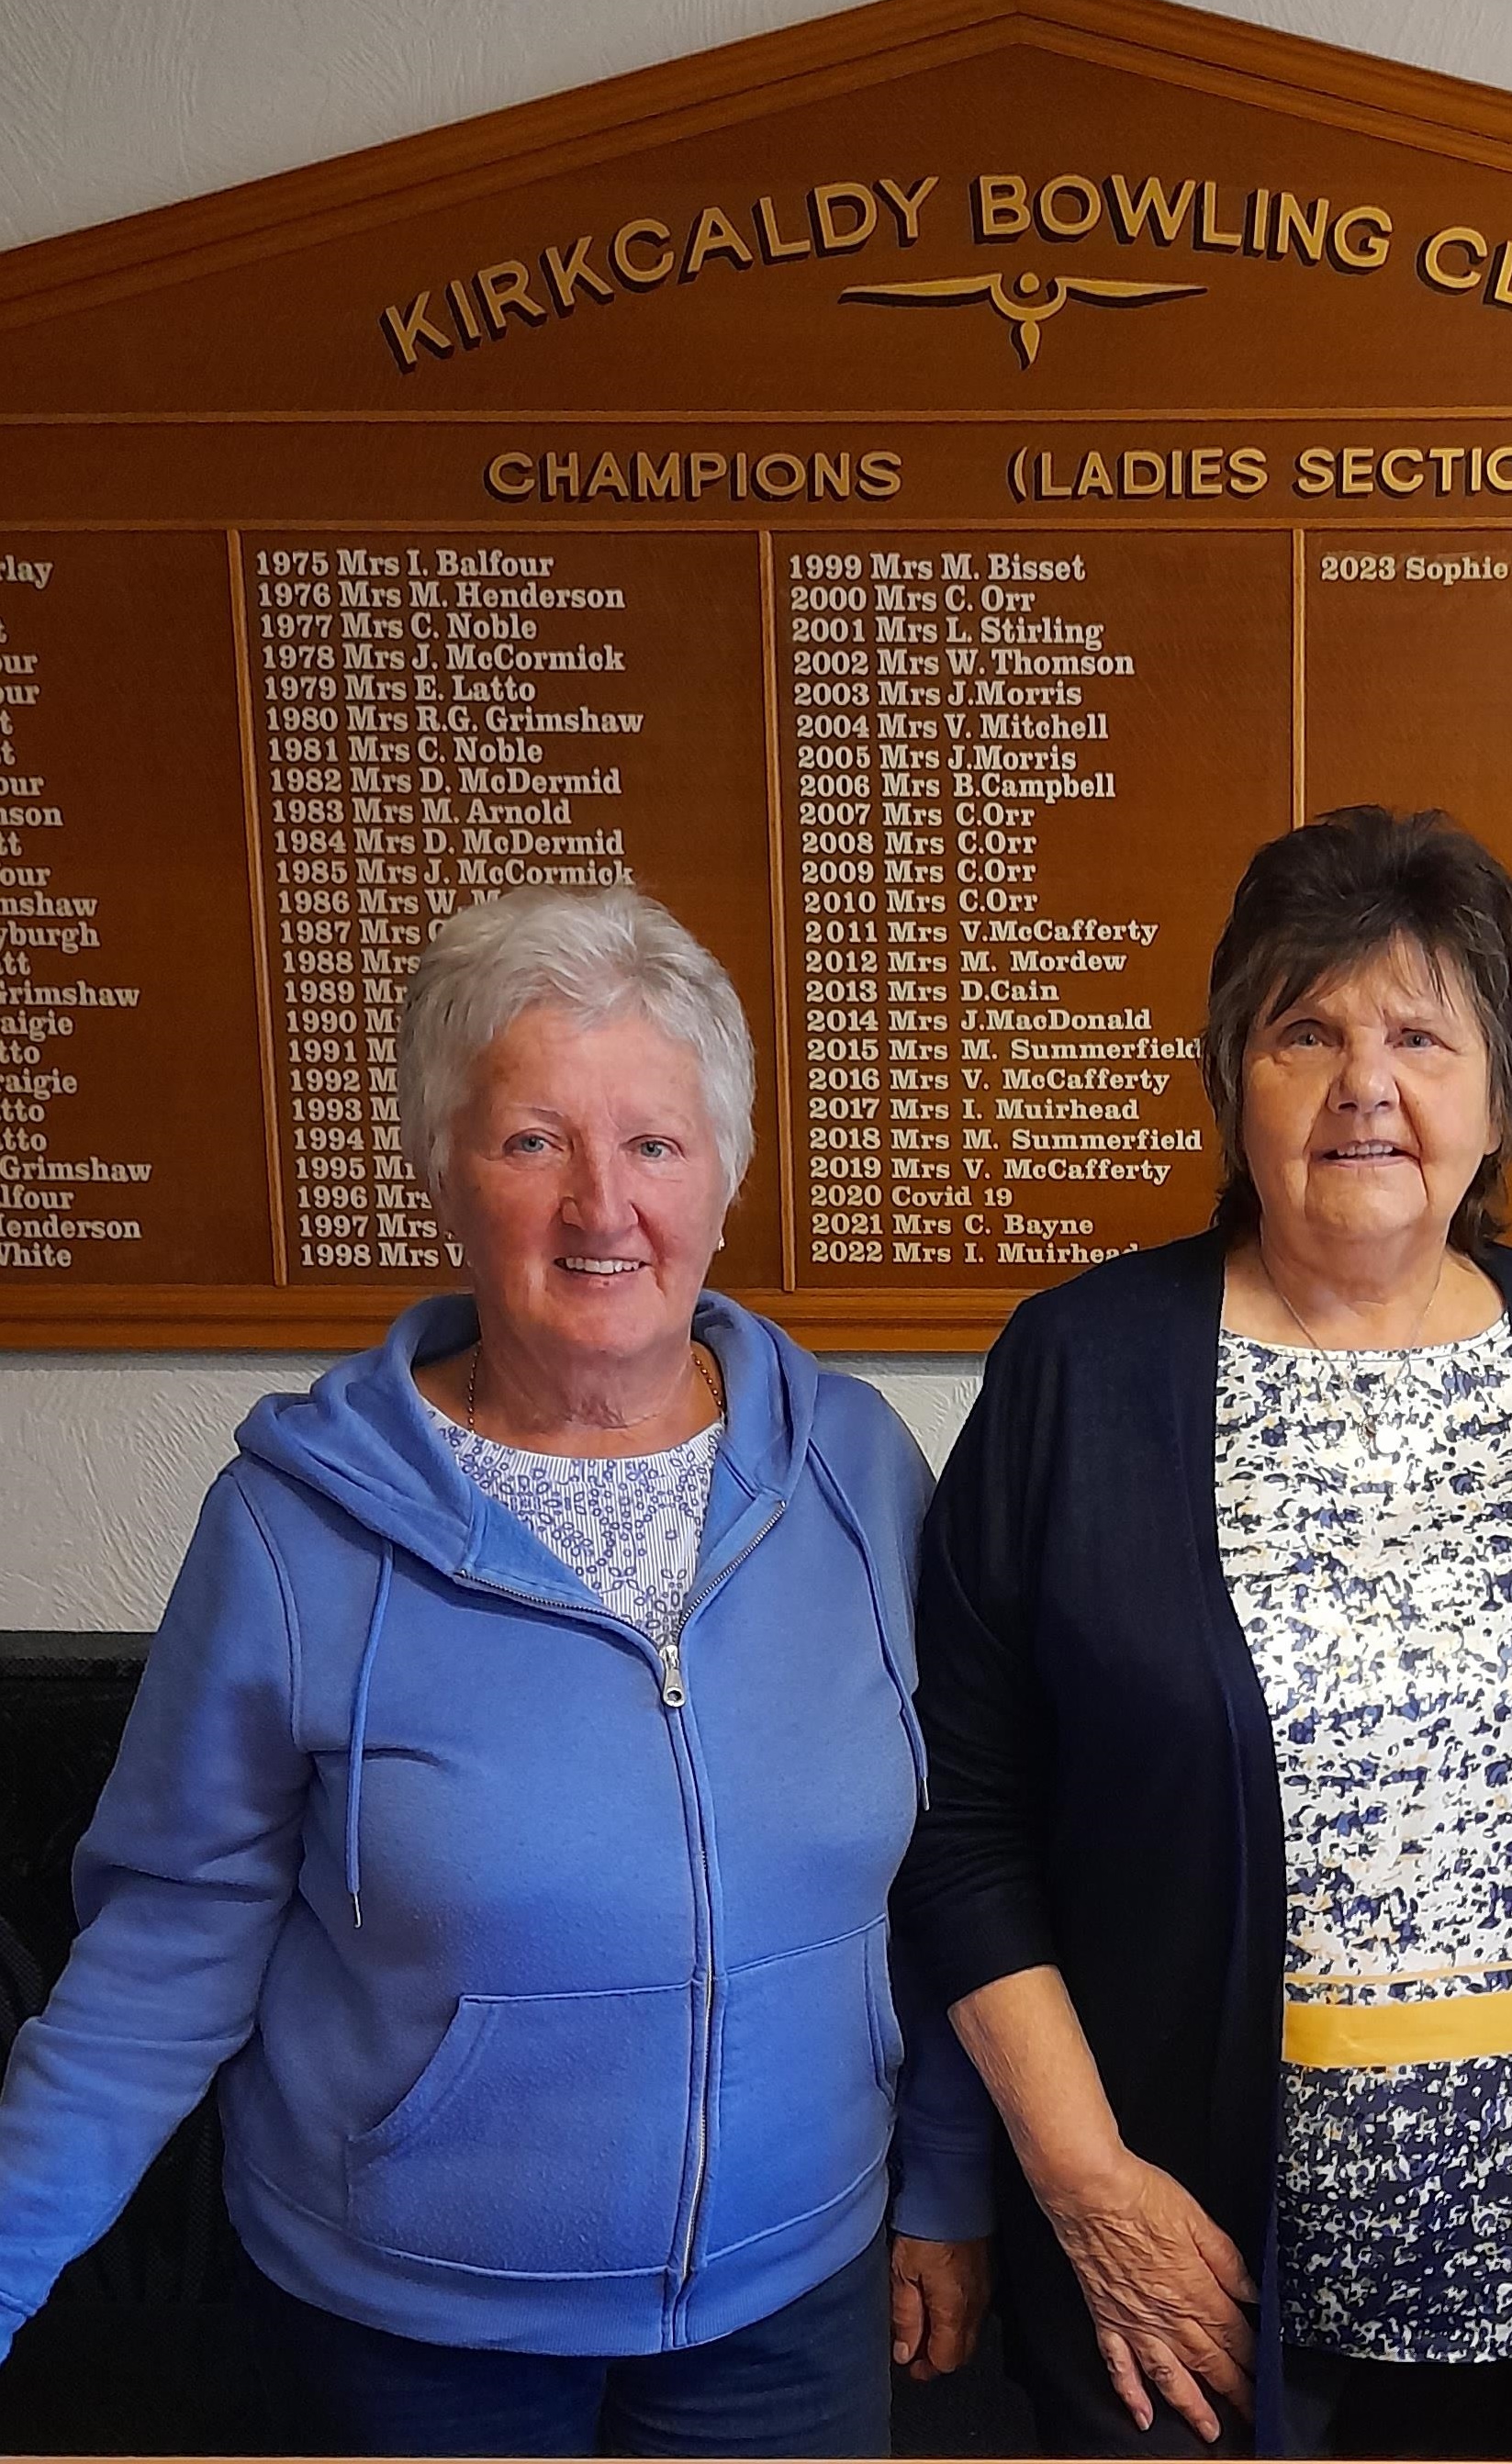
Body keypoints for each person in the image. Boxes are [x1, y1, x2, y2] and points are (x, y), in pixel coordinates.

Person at [0, 887, 992, 2457]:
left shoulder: (862, 1470)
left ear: (725, 1176)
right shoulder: (290, 1529)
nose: (603, 1205)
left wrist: (945, 2176)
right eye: (533, 1141)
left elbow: (945, 1854)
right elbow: (165, 1949)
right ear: (441, 1179)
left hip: (792, 2314)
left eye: (655, 1144)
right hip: (411, 2336)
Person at [895, 806, 1512, 2459]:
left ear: (1501, 1090)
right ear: (1229, 1077)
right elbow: (957, 1817)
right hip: (1179, 2294)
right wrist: (1082, 2184)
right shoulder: (1077, 1373)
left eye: (1418, 1034)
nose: (1364, 1084)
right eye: (1304, 1030)